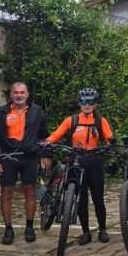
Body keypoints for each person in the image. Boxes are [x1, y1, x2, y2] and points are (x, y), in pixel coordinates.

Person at [45, 88, 114, 245]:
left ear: (95, 104)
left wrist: (111, 144)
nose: (87, 105)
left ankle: (102, 229)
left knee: (98, 198)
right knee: (81, 199)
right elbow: (56, 134)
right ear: (79, 103)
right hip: (76, 161)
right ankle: (85, 232)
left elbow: (109, 136)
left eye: (90, 102)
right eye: (84, 102)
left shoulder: (100, 121)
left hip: (94, 161)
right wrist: (47, 142)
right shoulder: (72, 120)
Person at [0, 82, 49, 245]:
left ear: (27, 94)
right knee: (6, 192)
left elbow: (44, 136)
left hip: (29, 156)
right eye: (16, 92)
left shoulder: (37, 111)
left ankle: (29, 227)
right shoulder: (1, 112)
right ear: (11, 95)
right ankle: (8, 229)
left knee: (30, 191)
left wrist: (46, 155)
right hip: (8, 157)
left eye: (22, 92)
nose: (19, 95)